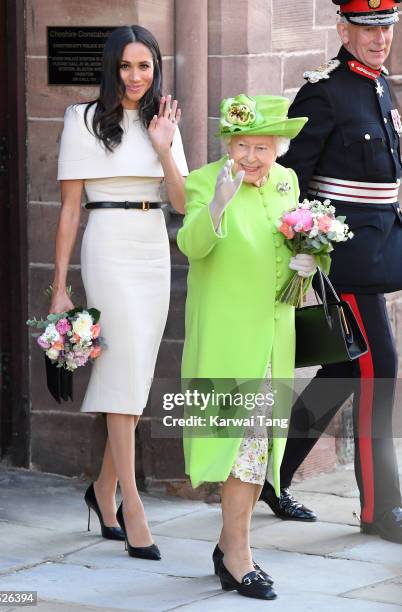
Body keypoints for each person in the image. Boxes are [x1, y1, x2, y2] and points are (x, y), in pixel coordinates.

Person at [260, 0, 402, 545]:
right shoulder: (323, 91)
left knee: (346, 371)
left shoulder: (380, 86)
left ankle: (275, 475)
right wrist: (302, 243)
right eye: (368, 29)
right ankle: (381, 509)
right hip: (342, 261)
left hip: (378, 249)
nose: (379, 39)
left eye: (386, 28)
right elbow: (290, 179)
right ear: (343, 30)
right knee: (380, 369)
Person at [50, 25, 188, 561]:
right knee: (123, 372)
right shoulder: (81, 119)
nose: (135, 77)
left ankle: (102, 491)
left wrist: (164, 146)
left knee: (134, 376)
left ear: (155, 69)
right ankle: (132, 505)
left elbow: (180, 201)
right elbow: (68, 210)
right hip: (107, 244)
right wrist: (60, 289)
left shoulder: (164, 121)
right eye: (126, 66)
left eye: (145, 66)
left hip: (154, 243)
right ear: (111, 68)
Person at [177, 94, 314, 600]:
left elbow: (299, 241)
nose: (252, 157)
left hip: (276, 335)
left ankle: (231, 548)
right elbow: (192, 245)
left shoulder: (286, 180)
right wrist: (218, 201)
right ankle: (238, 558)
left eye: (262, 146)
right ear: (227, 145)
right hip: (227, 337)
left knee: (261, 450)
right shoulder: (204, 179)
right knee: (241, 448)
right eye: (242, 146)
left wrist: (309, 261)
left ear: (278, 147)